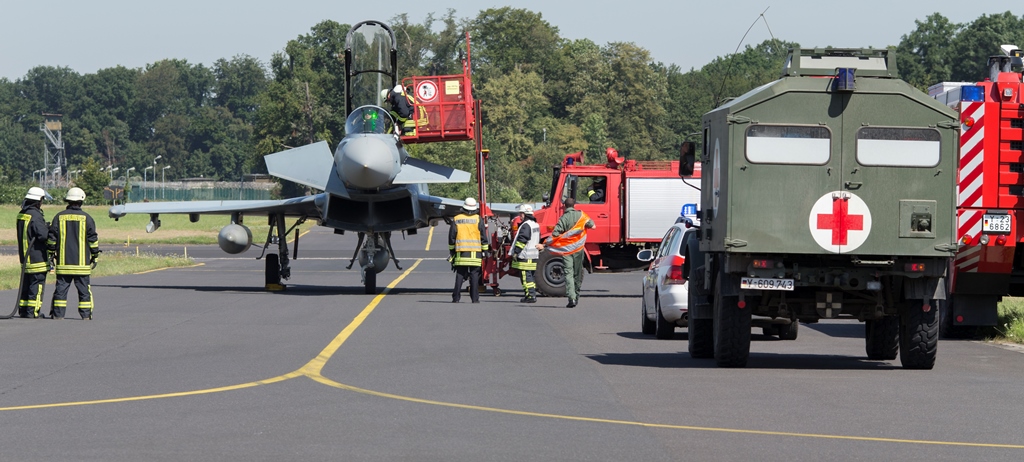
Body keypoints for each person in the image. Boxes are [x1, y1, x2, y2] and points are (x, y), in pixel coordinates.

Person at [47, 187, 100, 320]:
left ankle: (58, 315)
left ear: (68, 201)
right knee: (84, 291)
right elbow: (93, 239)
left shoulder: (59, 217)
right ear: (81, 202)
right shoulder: (87, 218)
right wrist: (95, 255)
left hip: (64, 264)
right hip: (82, 265)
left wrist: (50, 254)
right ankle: (86, 315)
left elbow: (52, 239)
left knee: (61, 290)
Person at [546, 198, 595, 308]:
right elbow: (593, 226)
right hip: (578, 249)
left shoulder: (563, 218)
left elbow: (555, 233)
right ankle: (576, 296)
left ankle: (571, 298)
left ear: (564, 206)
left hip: (567, 250)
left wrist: (547, 244)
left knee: (568, 273)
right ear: (574, 205)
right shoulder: (582, 216)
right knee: (577, 274)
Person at [16, 187, 51, 318]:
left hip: (25, 258)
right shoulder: (36, 215)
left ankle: (24, 310)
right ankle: (33, 311)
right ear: (38, 201)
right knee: (37, 285)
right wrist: (49, 229)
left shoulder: (22, 213)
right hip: (37, 257)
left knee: (26, 285)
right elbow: (43, 236)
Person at [448, 197, 489, 303]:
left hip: (461, 253)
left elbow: (452, 237)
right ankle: (475, 299)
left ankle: (456, 298)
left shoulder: (457, 219)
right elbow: (483, 237)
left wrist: (452, 252)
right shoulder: (478, 219)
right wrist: (485, 251)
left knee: (460, 275)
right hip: (475, 254)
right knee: (474, 276)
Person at [511, 204, 543, 303]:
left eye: (521, 214)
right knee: (530, 277)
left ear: (525, 214)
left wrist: (516, 252)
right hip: (534, 255)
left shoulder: (526, 225)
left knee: (526, 277)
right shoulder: (535, 224)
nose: (520, 216)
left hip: (525, 256)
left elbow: (522, 240)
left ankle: (530, 296)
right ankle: (530, 294)